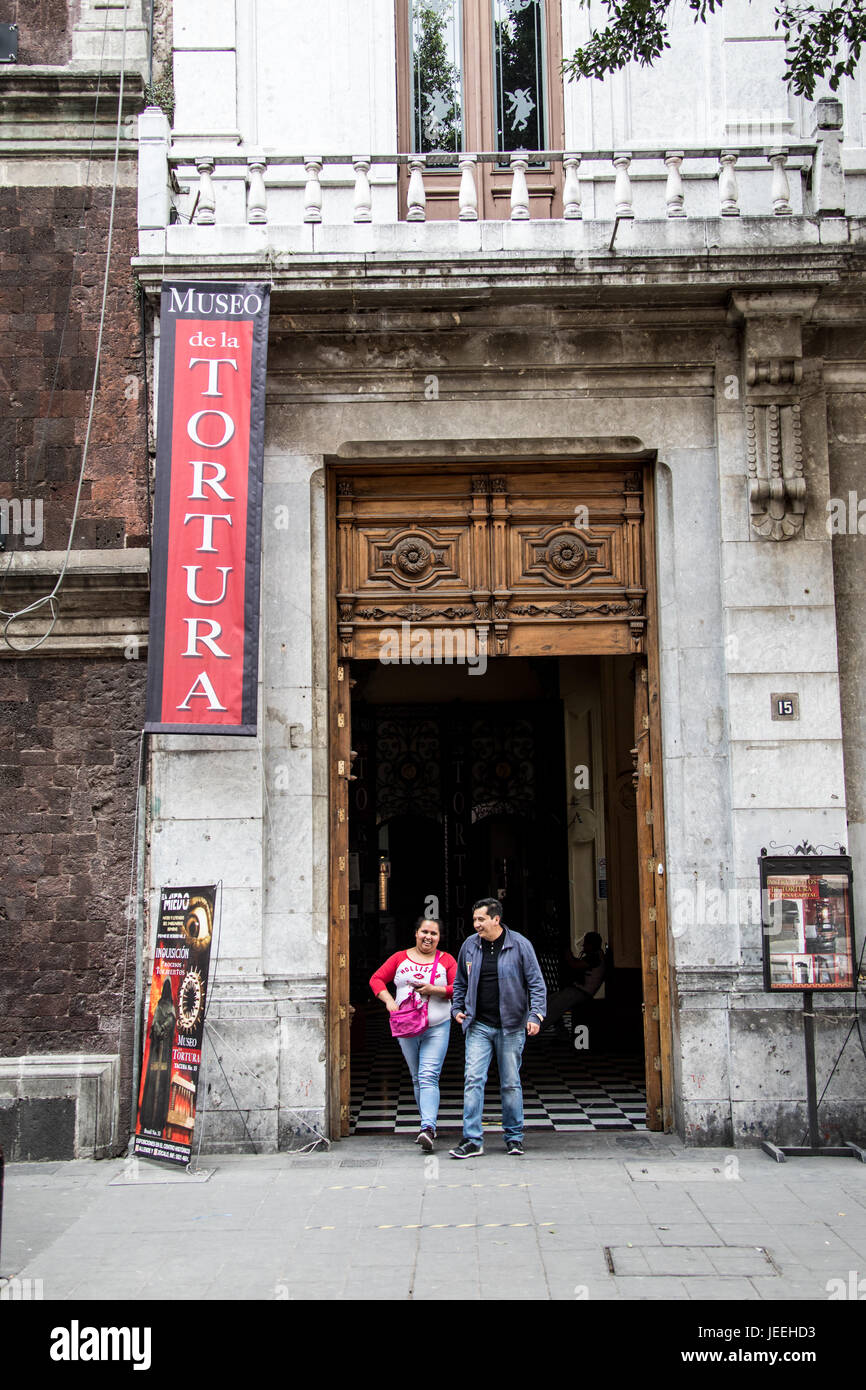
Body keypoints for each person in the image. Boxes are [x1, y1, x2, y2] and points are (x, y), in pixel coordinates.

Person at [449, 898, 546, 1159]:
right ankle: (472, 1139)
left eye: (481, 919)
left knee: (511, 1083)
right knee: (473, 1079)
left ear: (496, 919)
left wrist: (535, 1015)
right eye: (474, 920)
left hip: (512, 1026)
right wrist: (457, 1007)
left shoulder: (520, 945)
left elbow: (536, 983)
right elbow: (460, 981)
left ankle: (514, 1138)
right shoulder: (470, 946)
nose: (476, 924)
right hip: (478, 1024)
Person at [369, 916, 457, 1152]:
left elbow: (457, 988)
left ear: (439, 937)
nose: (428, 937)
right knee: (417, 1077)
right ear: (416, 933)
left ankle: (427, 1127)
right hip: (406, 1027)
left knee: (428, 1075)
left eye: (434, 933)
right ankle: (426, 1124)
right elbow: (376, 979)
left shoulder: (446, 960)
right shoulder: (399, 958)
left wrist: (433, 990)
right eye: (424, 932)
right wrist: (388, 1000)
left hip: (437, 1027)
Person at [542, 930, 607, 1039]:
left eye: (586, 944)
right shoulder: (596, 955)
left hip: (581, 992)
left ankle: (533, 1033)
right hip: (578, 991)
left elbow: (575, 965)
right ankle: (561, 1034)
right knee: (549, 1003)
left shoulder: (595, 957)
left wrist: (567, 953)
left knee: (553, 1010)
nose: (583, 946)